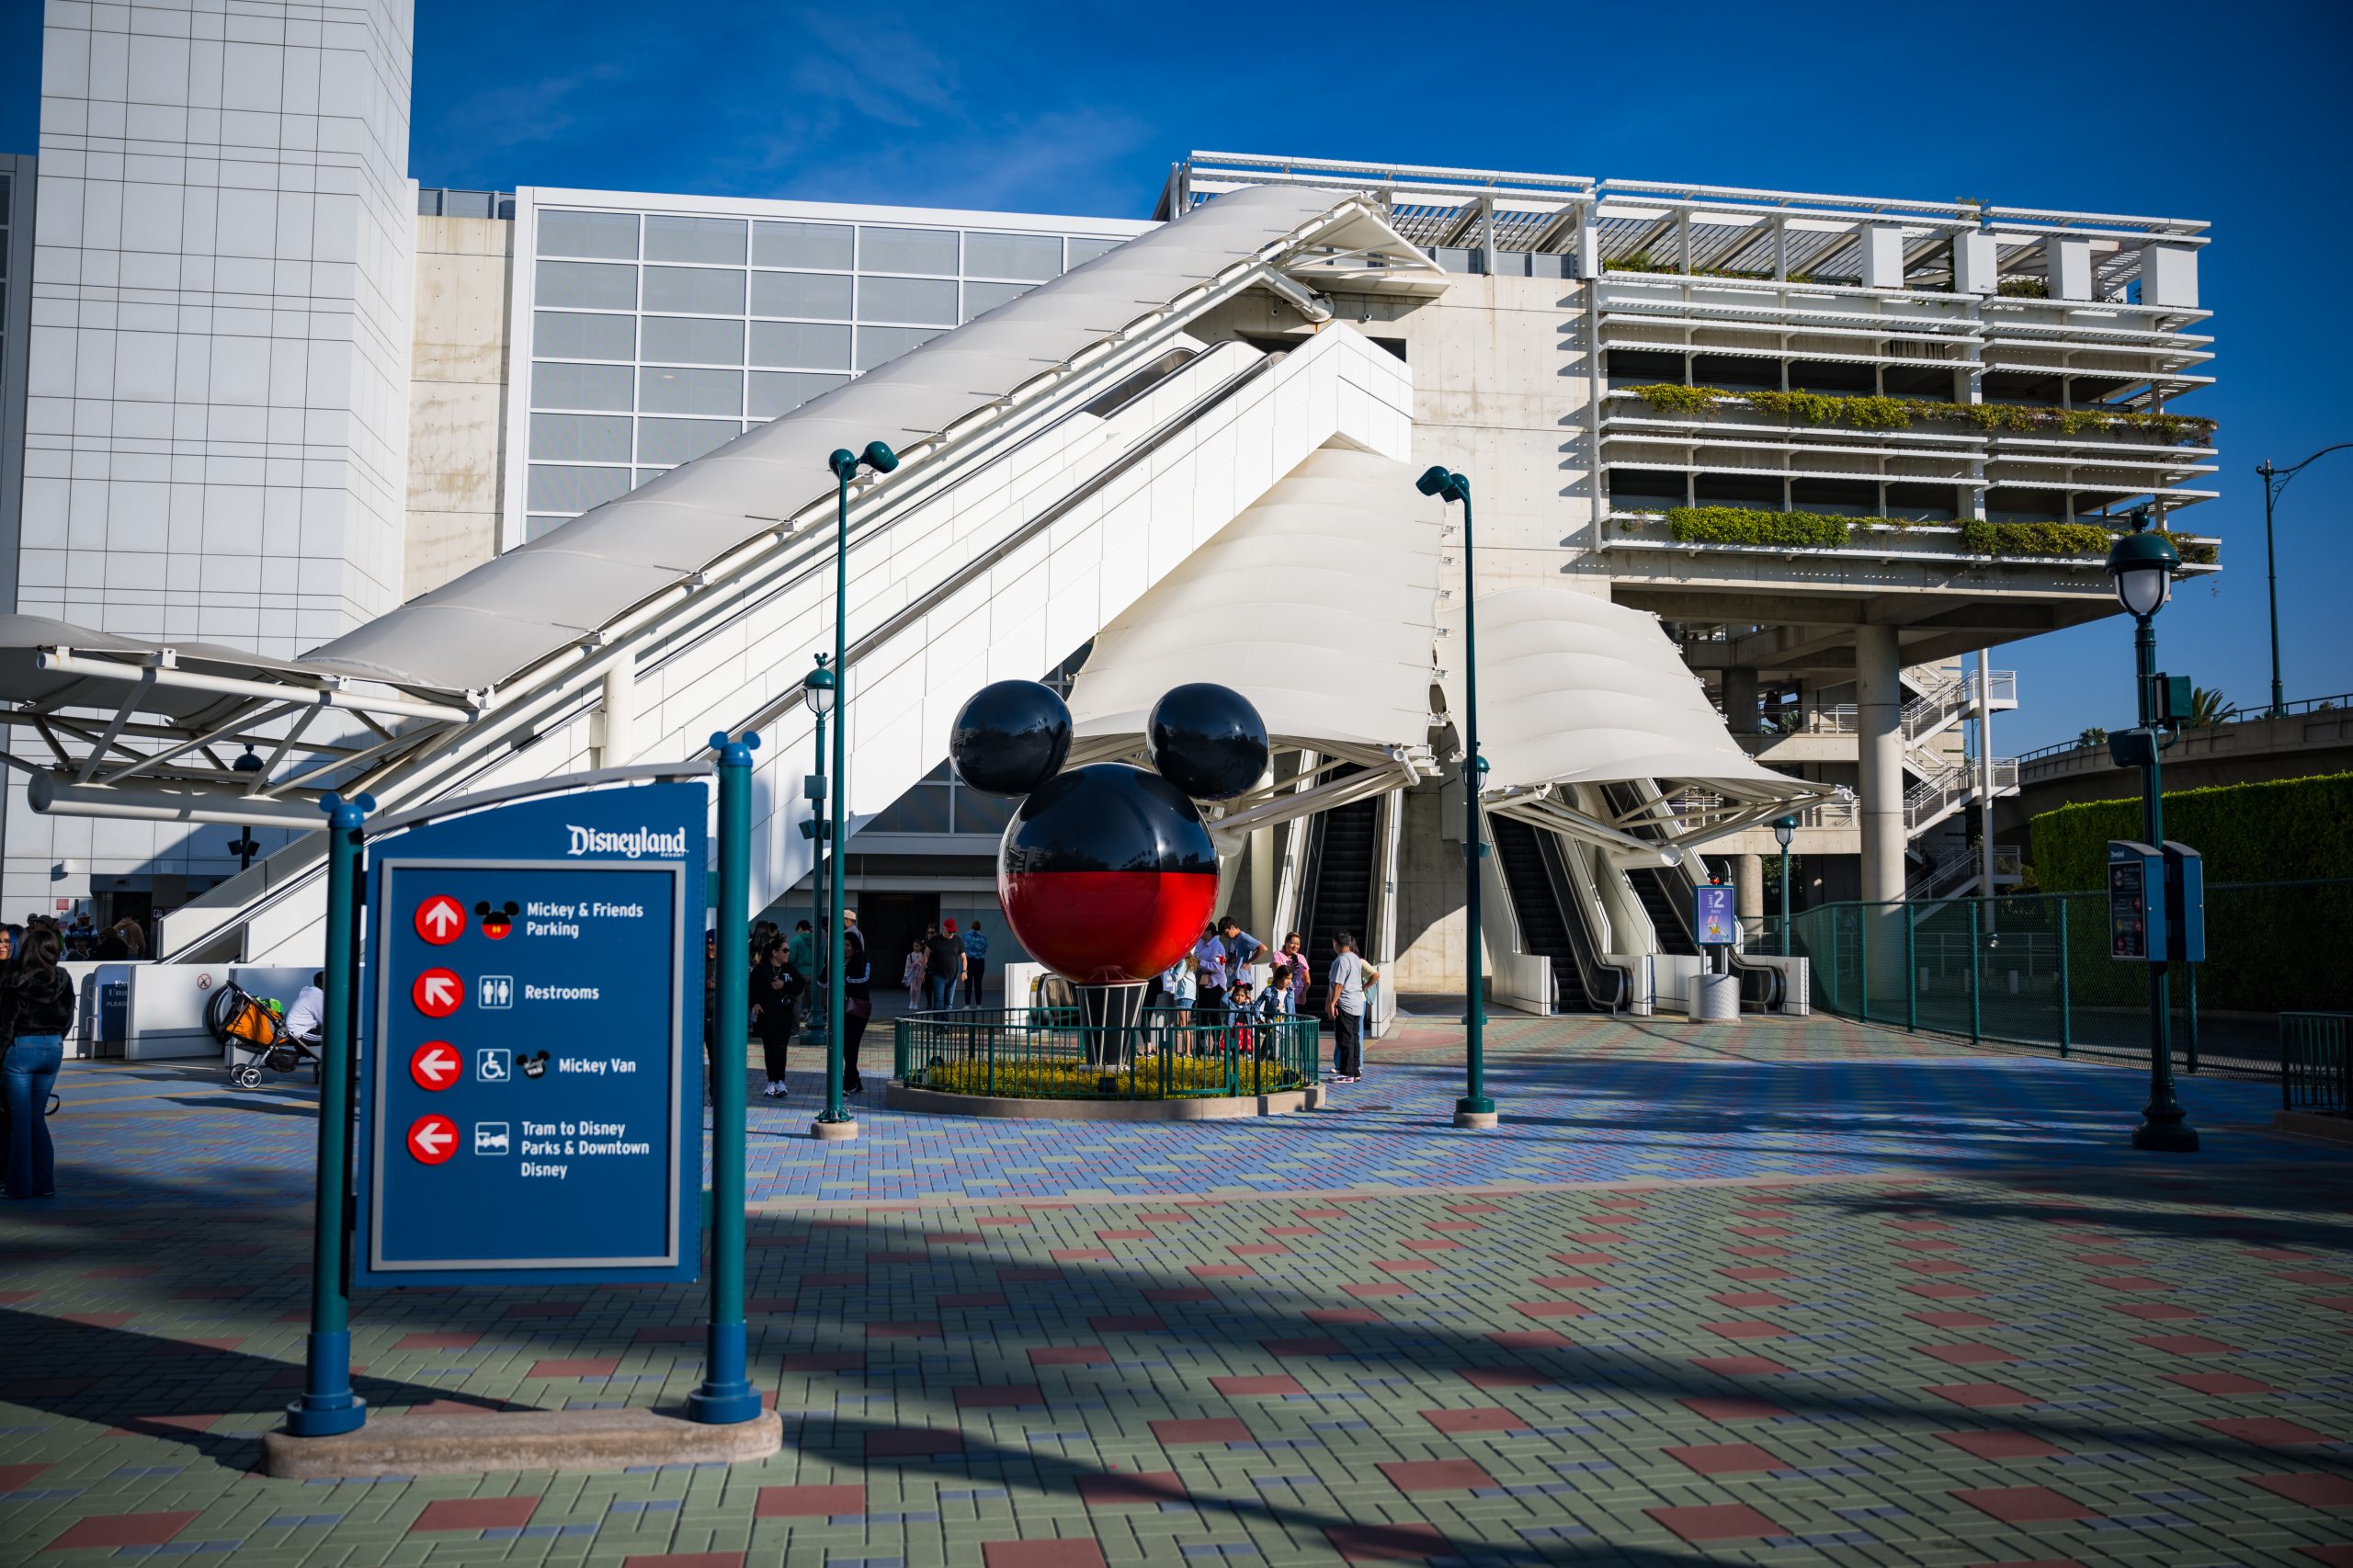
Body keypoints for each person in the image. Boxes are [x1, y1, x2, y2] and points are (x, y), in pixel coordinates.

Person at [3, 926, 72, 1199]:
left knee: (20, 1120)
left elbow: (5, 1025)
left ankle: (18, 1186)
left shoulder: (16, 980)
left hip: (22, 1049)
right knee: (36, 1119)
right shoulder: (63, 978)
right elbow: (67, 1018)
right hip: (53, 1048)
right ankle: (45, 1184)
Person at [750, 937, 804, 1099]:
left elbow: (800, 985)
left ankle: (780, 1081)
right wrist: (754, 1004)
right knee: (769, 1049)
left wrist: (784, 985)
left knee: (781, 1049)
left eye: (788, 950)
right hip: (766, 1016)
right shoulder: (761, 970)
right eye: (785, 950)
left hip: (784, 1016)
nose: (788, 953)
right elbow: (751, 989)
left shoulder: (789, 969)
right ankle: (771, 1081)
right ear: (774, 953)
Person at [1323, 931, 1376, 1084]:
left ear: (1336, 944)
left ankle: (1346, 1073)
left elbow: (1338, 984)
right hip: (1357, 1002)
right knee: (1354, 1037)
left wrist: (1332, 1003)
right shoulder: (1355, 958)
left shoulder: (1341, 960)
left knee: (1344, 1038)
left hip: (1345, 1003)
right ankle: (1355, 1071)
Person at [838, 910, 872, 1093]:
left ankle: (848, 1081)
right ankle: (855, 1080)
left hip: (859, 1008)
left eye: (849, 945)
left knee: (851, 1044)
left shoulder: (863, 961)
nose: (845, 948)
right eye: (843, 945)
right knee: (844, 1045)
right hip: (842, 1008)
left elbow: (863, 979)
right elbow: (822, 979)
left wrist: (843, 980)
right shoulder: (837, 961)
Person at [923, 921, 963, 1012]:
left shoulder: (957, 941)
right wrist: (921, 969)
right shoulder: (930, 942)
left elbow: (963, 957)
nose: (930, 934)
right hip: (935, 972)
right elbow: (925, 955)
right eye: (929, 932)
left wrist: (964, 971)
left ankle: (945, 1023)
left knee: (948, 1001)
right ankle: (930, 1004)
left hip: (950, 974)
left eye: (932, 932)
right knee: (937, 997)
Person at [1192, 924, 1229, 1016]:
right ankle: (1202, 1030)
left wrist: (1200, 963)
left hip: (1215, 984)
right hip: (1203, 981)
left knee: (1213, 1014)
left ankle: (1215, 1030)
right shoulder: (1200, 942)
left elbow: (1218, 967)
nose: (1200, 933)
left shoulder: (1218, 946)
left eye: (1203, 930)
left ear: (1209, 932)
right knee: (1202, 1013)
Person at [284, 971, 326, 1048]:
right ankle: (341, 1059)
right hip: (297, 1033)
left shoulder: (311, 993)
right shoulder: (317, 997)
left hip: (294, 1030)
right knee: (335, 1036)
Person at [961, 917, 990, 1006]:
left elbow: (962, 948)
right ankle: (978, 1005)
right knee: (978, 985)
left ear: (971, 926)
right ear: (979, 927)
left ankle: (967, 1005)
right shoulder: (983, 937)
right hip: (980, 962)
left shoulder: (966, 935)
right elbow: (985, 949)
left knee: (968, 985)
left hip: (968, 961)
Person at [1279, 932, 1309, 1014]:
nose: (1295, 946)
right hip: (1284, 995)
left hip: (1299, 997)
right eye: (1292, 943)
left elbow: (1307, 979)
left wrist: (1304, 992)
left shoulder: (1301, 957)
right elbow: (1277, 974)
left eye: (1298, 944)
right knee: (1286, 1022)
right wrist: (1289, 969)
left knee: (1299, 1023)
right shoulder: (1277, 954)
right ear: (1286, 942)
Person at [902, 938, 927, 1010]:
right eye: (914, 946)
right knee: (912, 989)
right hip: (912, 974)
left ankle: (916, 1003)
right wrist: (905, 976)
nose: (916, 948)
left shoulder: (923, 955)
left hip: (920, 973)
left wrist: (919, 964)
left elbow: (925, 965)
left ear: (920, 947)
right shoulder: (910, 955)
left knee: (918, 989)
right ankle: (912, 1001)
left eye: (917, 946)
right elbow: (907, 966)